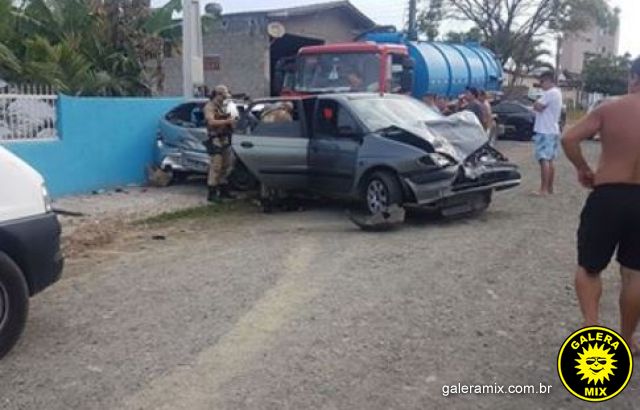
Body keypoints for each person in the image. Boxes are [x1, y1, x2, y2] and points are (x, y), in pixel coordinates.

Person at [562, 56, 640, 352]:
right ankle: (627, 339)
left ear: (633, 78)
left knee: (590, 267)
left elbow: (569, 138)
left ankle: (592, 329)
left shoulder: (610, 108)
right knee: (635, 273)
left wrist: (583, 169)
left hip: (608, 195)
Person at [204, 84, 236, 202]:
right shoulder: (210, 107)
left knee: (227, 165)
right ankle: (212, 193)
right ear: (217, 95)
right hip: (215, 139)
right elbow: (211, 122)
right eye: (223, 96)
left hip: (225, 138)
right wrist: (227, 121)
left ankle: (224, 191)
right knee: (216, 166)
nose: (224, 99)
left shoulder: (223, 106)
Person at [532, 71, 563, 195]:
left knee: (543, 159)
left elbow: (538, 107)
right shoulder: (557, 93)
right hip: (553, 129)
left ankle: (543, 189)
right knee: (550, 160)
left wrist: (535, 102)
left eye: (542, 81)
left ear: (549, 81)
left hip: (545, 130)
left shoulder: (550, 93)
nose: (541, 84)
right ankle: (550, 188)